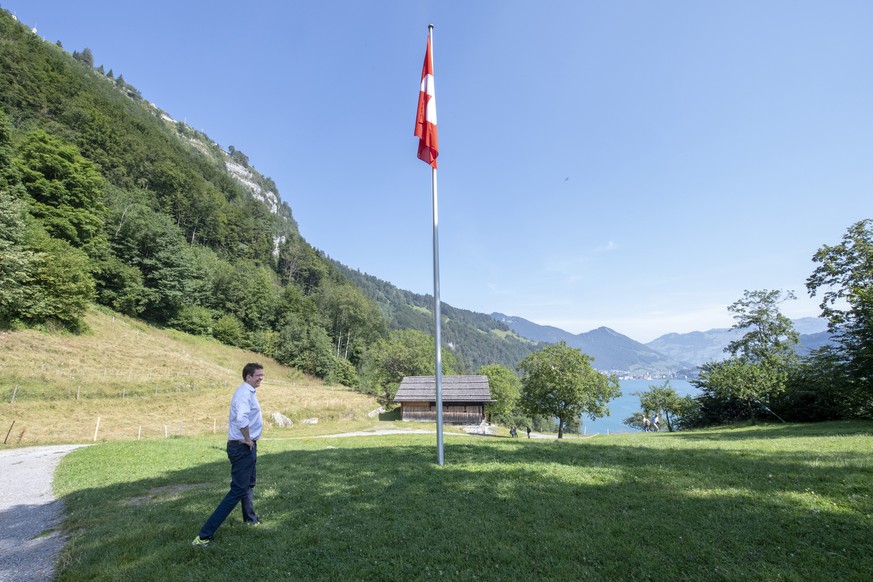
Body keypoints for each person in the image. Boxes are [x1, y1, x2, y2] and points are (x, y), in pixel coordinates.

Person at [193, 363, 264, 547]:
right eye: (258, 375)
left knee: (248, 484)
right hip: (242, 447)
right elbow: (241, 419)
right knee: (237, 490)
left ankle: (251, 519)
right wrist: (248, 439)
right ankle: (203, 536)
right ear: (248, 376)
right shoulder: (243, 394)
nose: (261, 378)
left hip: (247, 446)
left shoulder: (248, 393)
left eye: (262, 375)